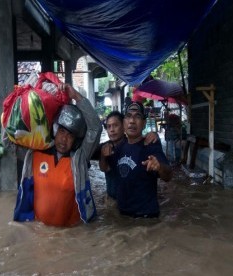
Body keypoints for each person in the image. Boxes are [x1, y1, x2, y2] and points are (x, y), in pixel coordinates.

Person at [13, 83, 102, 227]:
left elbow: (95, 128)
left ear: (75, 139)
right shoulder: (35, 152)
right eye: (62, 131)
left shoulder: (79, 158)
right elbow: (11, 140)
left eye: (70, 135)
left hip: (71, 234)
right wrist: (18, 99)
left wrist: (76, 97)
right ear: (54, 130)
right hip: (37, 232)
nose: (64, 139)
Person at [100, 102, 172, 218]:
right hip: (123, 216)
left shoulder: (151, 145)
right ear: (124, 122)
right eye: (128, 116)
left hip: (145, 219)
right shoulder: (119, 148)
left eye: (137, 116)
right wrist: (103, 156)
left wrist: (159, 167)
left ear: (144, 123)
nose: (132, 121)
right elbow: (105, 168)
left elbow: (168, 176)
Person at [97, 111, 159, 199]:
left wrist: (154, 135)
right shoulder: (105, 147)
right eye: (108, 126)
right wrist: (103, 155)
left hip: (132, 201)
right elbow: (104, 168)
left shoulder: (136, 144)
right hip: (112, 198)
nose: (112, 130)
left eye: (115, 125)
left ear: (124, 126)